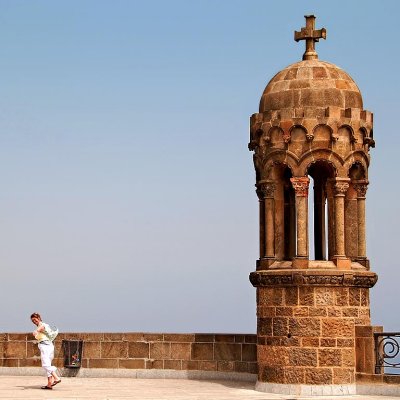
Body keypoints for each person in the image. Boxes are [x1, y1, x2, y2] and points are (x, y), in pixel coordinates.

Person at [30, 312, 61, 390]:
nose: (34, 321)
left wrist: (36, 331)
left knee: (45, 365)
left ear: (39, 318)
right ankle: (49, 384)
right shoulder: (43, 325)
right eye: (32, 320)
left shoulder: (42, 325)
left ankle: (56, 378)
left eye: (35, 320)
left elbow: (40, 328)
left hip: (45, 346)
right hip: (49, 346)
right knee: (48, 364)